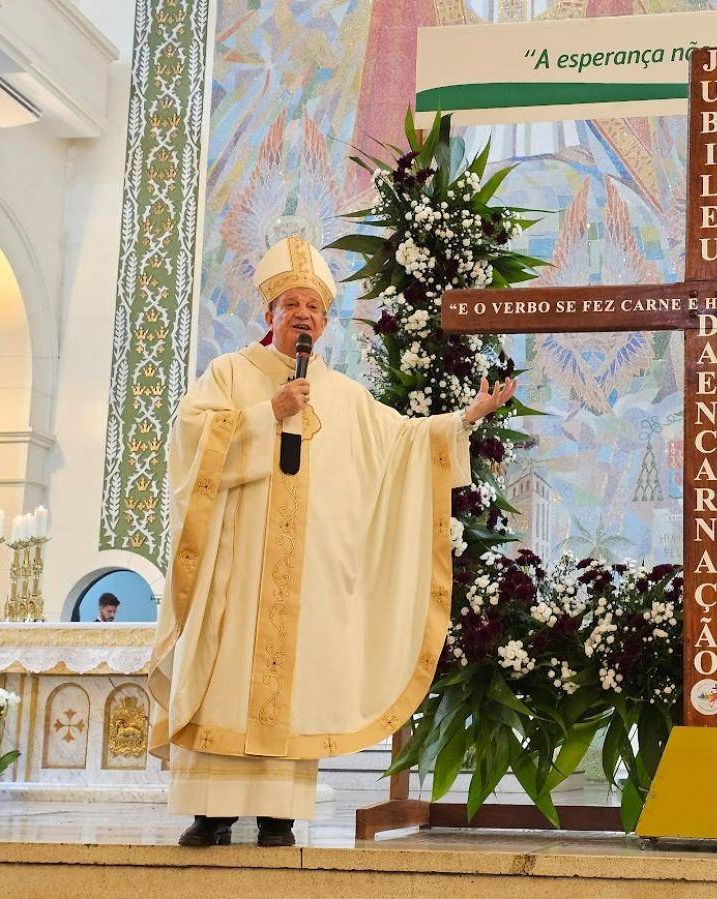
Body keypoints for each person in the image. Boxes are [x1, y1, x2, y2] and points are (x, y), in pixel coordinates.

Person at [147, 235, 516, 848]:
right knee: (227, 674)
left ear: (324, 321)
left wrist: (466, 418)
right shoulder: (230, 374)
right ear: (269, 315)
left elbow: (401, 445)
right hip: (238, 571)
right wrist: (269, 410)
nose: (302, 315)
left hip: (305, 579)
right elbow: (192, 443)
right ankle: (210, 811)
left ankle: (277, 815)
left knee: (297, 683)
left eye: (313, 307)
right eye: (290, 304)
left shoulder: (344, 395)